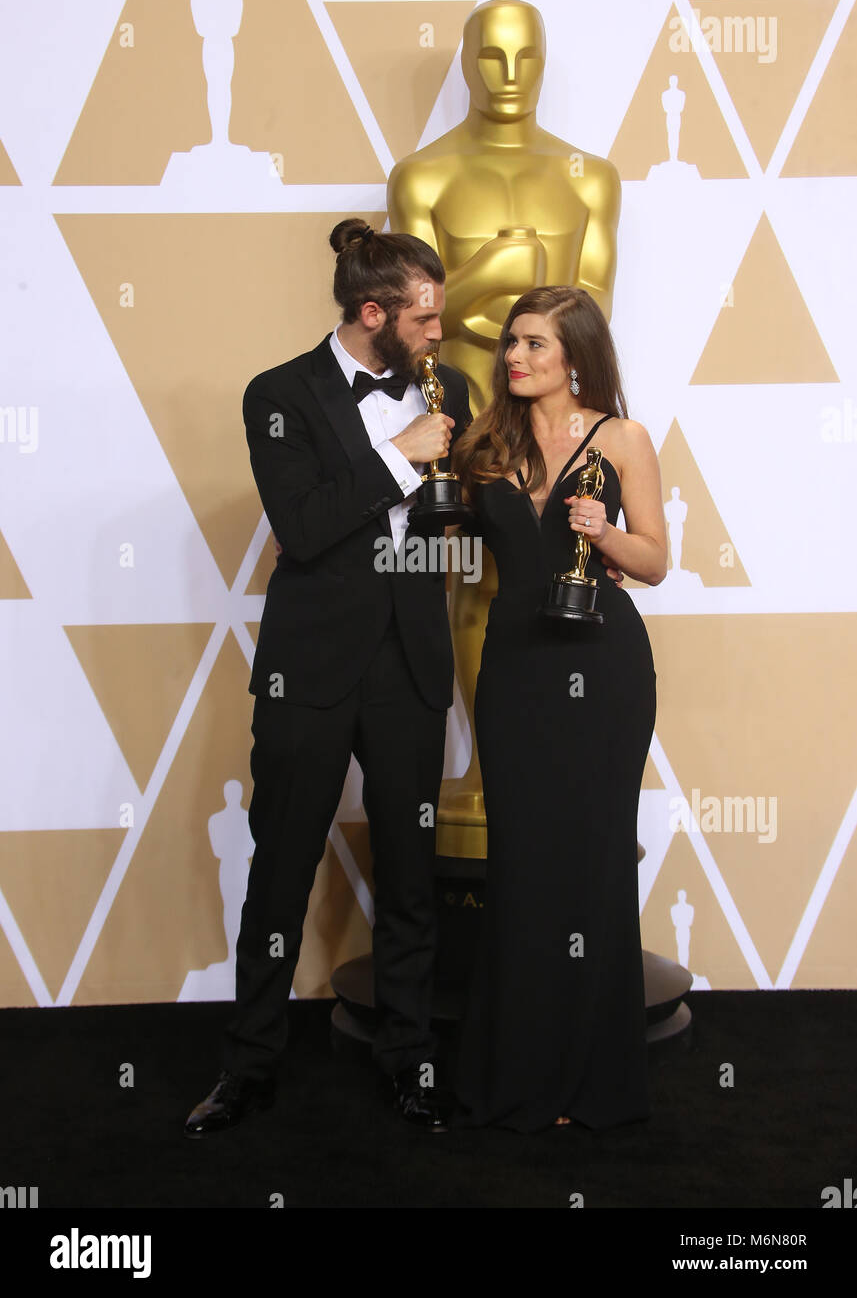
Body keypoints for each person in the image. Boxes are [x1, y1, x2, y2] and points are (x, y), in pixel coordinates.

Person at [184, 219, 471, 1136]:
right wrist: (402, 455)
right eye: (425, 319)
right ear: (371, 311)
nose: (440, 333)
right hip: (310, 668)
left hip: (410, 663)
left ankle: (411, 1061)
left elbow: (445, 525)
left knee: (411, 871)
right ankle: (250, 1066)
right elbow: (304, 529)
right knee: (282, 864)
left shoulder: (447, 388)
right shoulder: (279, 395)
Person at [450, 285, 667, 1133]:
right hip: (515, 671)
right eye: (511, 343)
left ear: (574, 354)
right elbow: (439, 529)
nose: (514, 357)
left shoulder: (622, 439)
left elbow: (654, 561)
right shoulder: (483, 443)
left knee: (594, 857)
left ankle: (592, 1082)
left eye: (534, 344)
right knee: (525, 862)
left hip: (602, 668)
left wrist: (604, 532)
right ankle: (518, 1074)